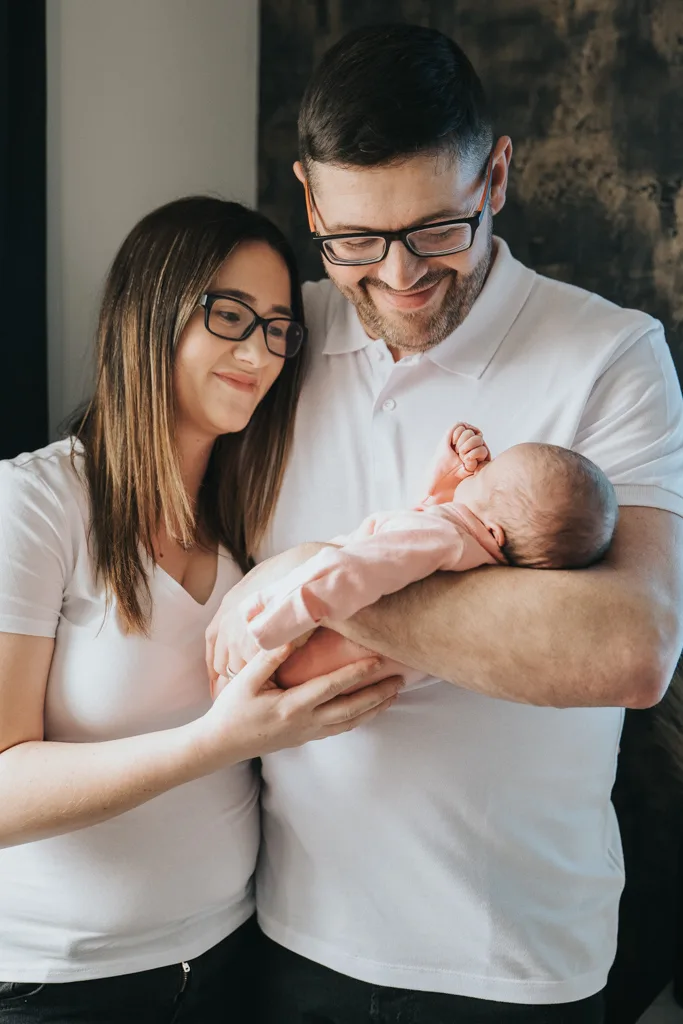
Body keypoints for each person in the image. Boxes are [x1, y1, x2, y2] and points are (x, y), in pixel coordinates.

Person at [206, 23, 683, 1024]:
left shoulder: (608, 356)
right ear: (308, 201)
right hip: (288, 936)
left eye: (435, 231)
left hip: (517, 963)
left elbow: (628, 648)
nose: (397, 277)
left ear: (495, 175)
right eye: (354, 242)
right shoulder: (274, 341)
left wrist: (306, 580)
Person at [0, 196, 403, 1024]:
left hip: (235, 960)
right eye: (230, 316)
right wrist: (215, 744)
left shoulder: (252, 519)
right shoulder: (36, 505)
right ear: (148, 313)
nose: (258, 352)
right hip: (63, 988)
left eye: (278, 328)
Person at [233, 424, 618, 656]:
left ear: (495, 532)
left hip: (293, 631)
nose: (479, 470)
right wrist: (453, 472)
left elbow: (355, 566)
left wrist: (267, 615)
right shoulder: (469, 553)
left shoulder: (442, 537)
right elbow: (420, 519)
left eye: (487, 475)